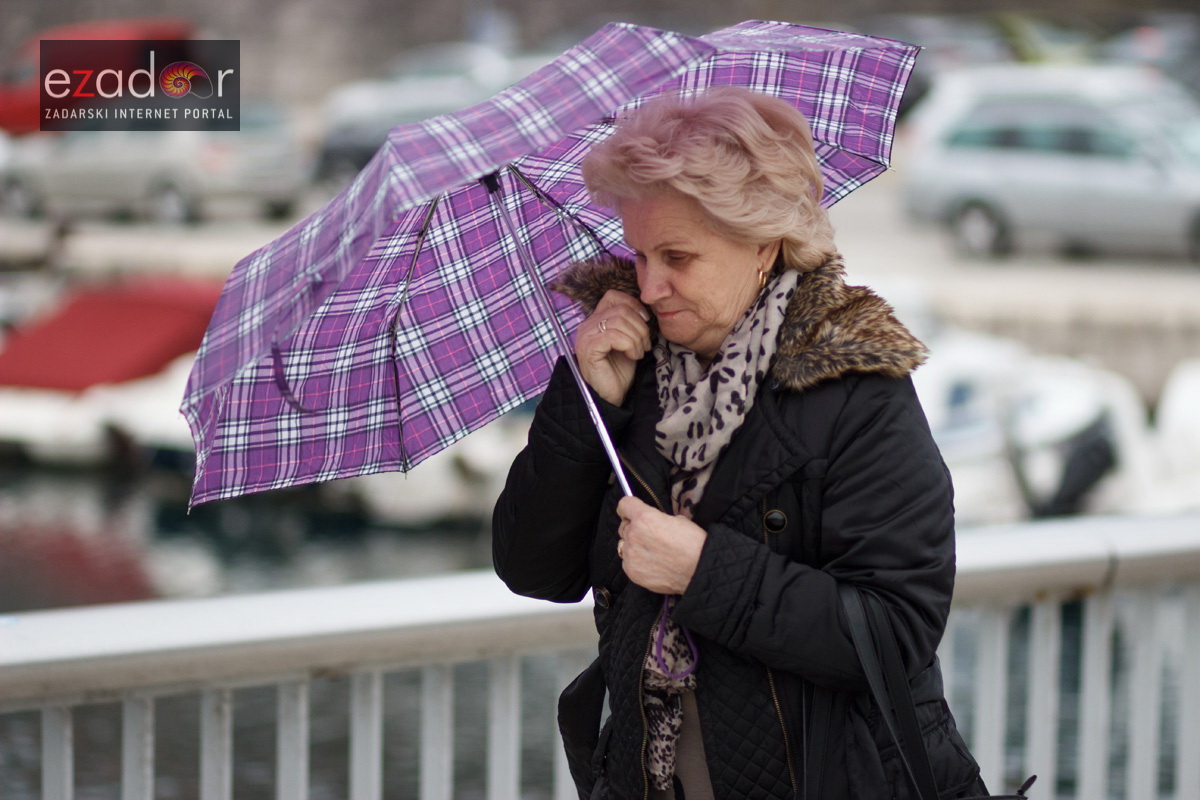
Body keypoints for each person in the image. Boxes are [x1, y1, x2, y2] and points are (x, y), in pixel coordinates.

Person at [492, 87, 986, 800]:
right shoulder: (626, 377)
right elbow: (531, 567)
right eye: (637, 254)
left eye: (678, 256)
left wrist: (704, 571)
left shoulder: (855, 386)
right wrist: (585, 398)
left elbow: (895, 627)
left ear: (763, 245)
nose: (651, 285)